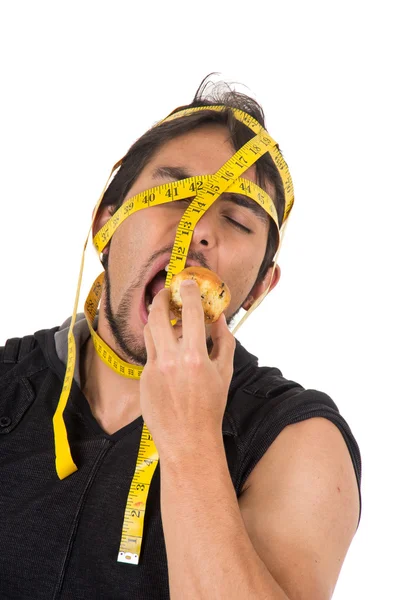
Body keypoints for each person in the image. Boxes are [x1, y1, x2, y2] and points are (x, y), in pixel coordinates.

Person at [0, 76, 361, 600]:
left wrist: (192, 442)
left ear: (260, 285)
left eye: (237, 220)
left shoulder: (300, 444)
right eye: (177, 194)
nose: (198, 230)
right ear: (107, 219)